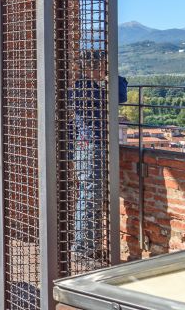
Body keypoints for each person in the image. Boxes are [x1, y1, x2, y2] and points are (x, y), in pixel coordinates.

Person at [70, 50, 126, 259]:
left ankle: (86, 246)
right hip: (91, 147)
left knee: (89, 195)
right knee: (91, 196)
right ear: (96, 67)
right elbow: (120, 95)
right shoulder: (86, 89)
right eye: (104, 65)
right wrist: (115, 76)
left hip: (84, 147)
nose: (105, 69)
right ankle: (84, 249)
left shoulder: (82, 87)